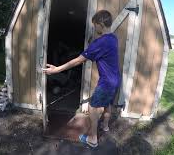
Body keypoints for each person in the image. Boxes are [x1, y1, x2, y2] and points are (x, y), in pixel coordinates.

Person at [43, 10, 120, 148]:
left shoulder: (100, 43)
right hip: (115, 80)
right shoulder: (113, 38)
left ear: (100, 24)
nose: (94, 28)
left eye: (95, 25)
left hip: (106, 82)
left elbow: (78, 61)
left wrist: (57, 69)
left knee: (92, 106)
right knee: (107, 104)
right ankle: (106, 126)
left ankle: (92, 139)